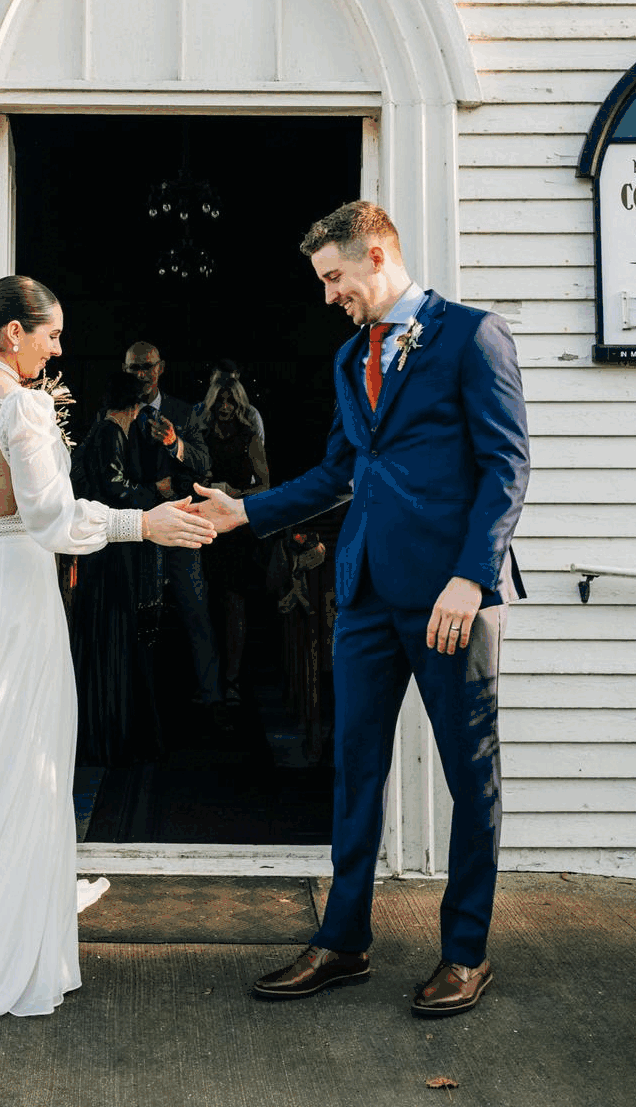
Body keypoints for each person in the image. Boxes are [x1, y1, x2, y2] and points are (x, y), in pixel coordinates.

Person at [191, 201, 529, 1017]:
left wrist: (469, 578)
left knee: (467, 776)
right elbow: (339, 471)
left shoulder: (471, 335)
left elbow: (505, 466)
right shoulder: (351, 358)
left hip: (452, 598)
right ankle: (343, 941)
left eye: (333, 277)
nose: (327, 294)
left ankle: (465, 952)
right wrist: (247, 511)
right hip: (365, 596)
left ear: (375, 256)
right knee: (354, 768)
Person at [0, 276, 214, 1022]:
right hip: (10, 596)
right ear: (12, 335)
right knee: (18, 758)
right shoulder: (21, 410)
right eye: (51, 334)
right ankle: (0, 945)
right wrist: (142, 524)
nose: (58, 347)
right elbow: (53, 524)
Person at [71, 372, 167, 765]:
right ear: (133, 406)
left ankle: (105, 731)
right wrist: (153, 498)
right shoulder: (111, 432)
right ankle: (112, 734)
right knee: (114, 625)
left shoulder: (98, 431)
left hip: (101, 545)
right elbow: (114, 488)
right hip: (110, 545)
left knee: (105, 629)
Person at [123, 341, 223, 714]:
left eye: (147, 367)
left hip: (182, 527)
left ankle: (211, 698)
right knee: (137, 615)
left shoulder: (185, 412)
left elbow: (202, 461)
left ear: (161, 367)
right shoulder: (118, 411)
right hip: (138, 526)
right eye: (134, 368)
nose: (141, 375)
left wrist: (174, 442)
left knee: (195, 610)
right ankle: (138, 702)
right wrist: (151, 492)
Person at [197, 367, 269, 705]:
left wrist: (238, 494)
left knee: (234, 603)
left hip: (237, 526)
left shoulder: (249, 434)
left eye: (230, 400)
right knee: (204, 603)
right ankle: (208, 681)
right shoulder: (201, 432)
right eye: (219, 400)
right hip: (205, 524)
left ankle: (234, 679)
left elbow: (266, 484)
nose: (224, 406)